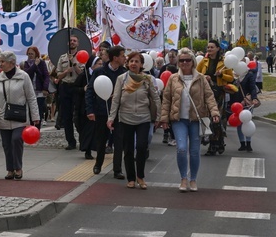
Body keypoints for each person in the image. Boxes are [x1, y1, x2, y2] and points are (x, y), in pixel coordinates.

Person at [159, 48, 220, 192]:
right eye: (181, 60)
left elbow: (209, 97)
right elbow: (166, 99)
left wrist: (214, 112)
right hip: (178, 119)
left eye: (187, 60)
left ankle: (193, 179)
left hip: (196, 119)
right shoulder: (173, 79)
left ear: (192, 61)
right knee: (181, 148)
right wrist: (164, 118)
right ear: (178, 63)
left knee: (194, 151)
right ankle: (183, 179)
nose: (184, 63)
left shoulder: (201, 78)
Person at [107, 52, 160, 190]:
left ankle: (140, 177)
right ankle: (131, 178)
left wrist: (159, 117)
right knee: (128, 149)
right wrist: (111, 118)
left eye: (136, 61)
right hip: (125, 118)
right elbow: (116, 99)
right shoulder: (121, 79)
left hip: (144, 117)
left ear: (141, 65)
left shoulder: (147, 79)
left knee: (142, 146)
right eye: (131, 61)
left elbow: (155, 98)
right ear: (127, 63)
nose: (133, 64)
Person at [0, 50, 40, 180]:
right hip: (3, 116)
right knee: (6, 144)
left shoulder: (23, 76)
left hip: (20, 117)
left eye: (3, 62)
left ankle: (18, 168)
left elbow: (31, 97)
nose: (0, 64)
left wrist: (35, 117)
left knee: (16, 140)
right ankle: (10, 169)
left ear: (12, 63)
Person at [86, 45, 127, 175]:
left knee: (119, 141)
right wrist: (90, 110)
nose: (124, 58)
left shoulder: (124, 73)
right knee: (101, 139)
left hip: (119, 112)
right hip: (101, 111)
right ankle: (98, 164)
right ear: (115, 58)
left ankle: (117, 169)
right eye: (122, 56)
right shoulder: (100, 71)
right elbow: (90, 91)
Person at [196, 40, 234, 156]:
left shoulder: (224, 62)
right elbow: (196, 73)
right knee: (208, 119)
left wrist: (221, 75)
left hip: (219, 93)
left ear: (218, 48)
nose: (209, 49)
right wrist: (204, 76)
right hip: (207, 93)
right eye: (208, 47)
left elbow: (231, 78)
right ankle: (214, 144)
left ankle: (219, 142)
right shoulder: (204, 61)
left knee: (217, 119)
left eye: (212, 47)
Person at [55, 34, 84, 150]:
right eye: (70, 41)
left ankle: (83, 140)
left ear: (78, 43)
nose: (72, 42)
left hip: (77, 88)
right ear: (68, 43)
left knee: (78, 116)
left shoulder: (82, 57)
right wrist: (66, 71)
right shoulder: (62, 58)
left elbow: (82, 74)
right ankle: (70, 141)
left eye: (74, 41)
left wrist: (75, 63)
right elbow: (58, 75)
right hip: (65, 87)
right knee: (66, 116)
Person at [22, 46, 49, 128]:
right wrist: (34, 65)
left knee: (38, 111)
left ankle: (37, 129)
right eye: (29, 54)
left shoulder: (42, 63)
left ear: (36, 54)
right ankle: (30, 128)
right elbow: (27, 73)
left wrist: (45, 88)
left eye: (32, 54)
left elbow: (46, 76)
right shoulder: (26, 63)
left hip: (39, 91)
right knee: (30, 111)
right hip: (30, 90)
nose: (30, 55)